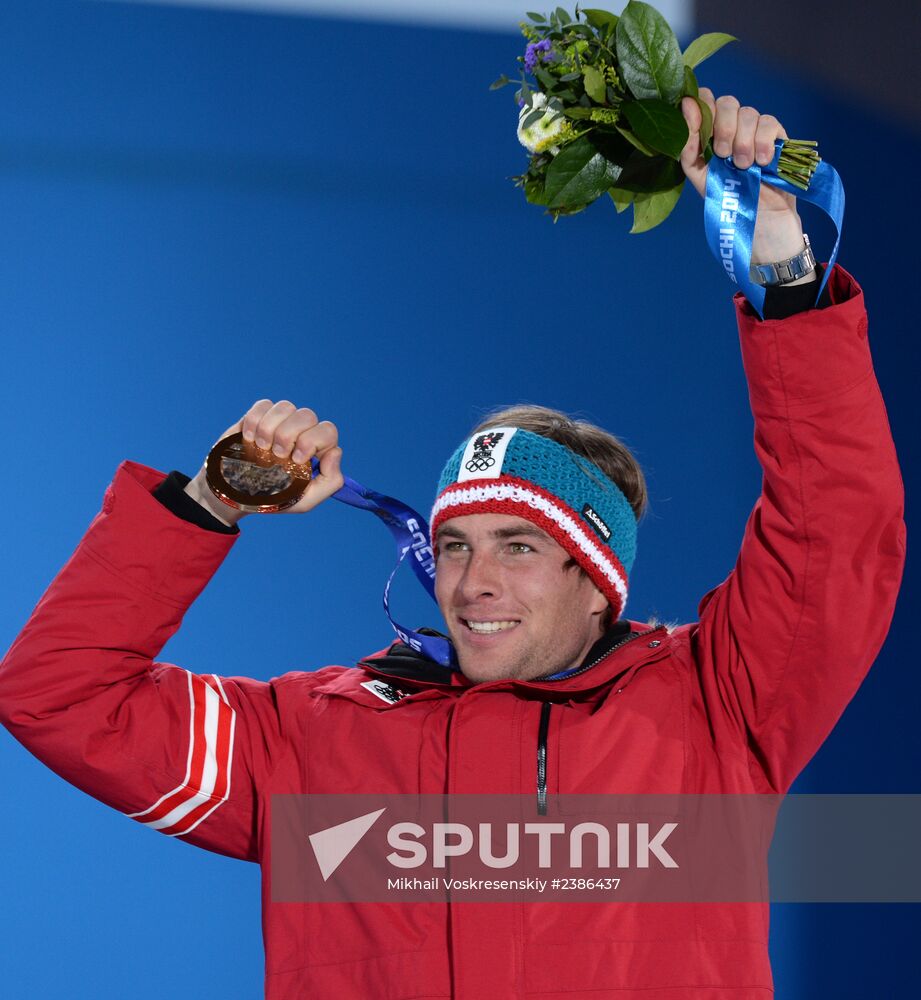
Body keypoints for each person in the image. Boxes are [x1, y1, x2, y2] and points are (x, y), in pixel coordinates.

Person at [0, 90, 905, 999]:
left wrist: (784, 273)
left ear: (595, 580)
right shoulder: (310, 739)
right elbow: (59, 697)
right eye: (455, 545)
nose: (472, 581)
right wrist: (209, 501)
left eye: (517, 545)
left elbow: (834, 530)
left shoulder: (714, 707)